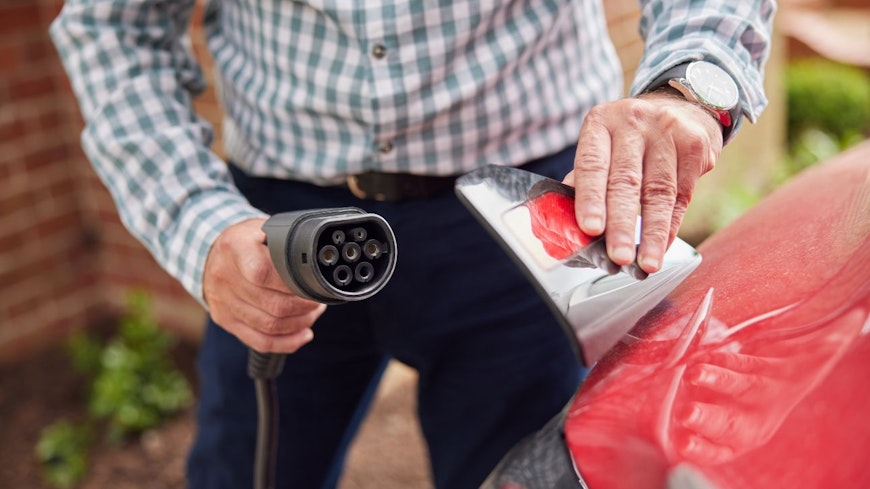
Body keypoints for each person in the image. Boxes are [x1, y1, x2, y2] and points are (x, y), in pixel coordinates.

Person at [50, 1, 775, 487]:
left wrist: (692, 84)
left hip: (526, 213)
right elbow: (115, 26)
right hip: (277, 228)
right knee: (243, 470)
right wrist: (197, 226)